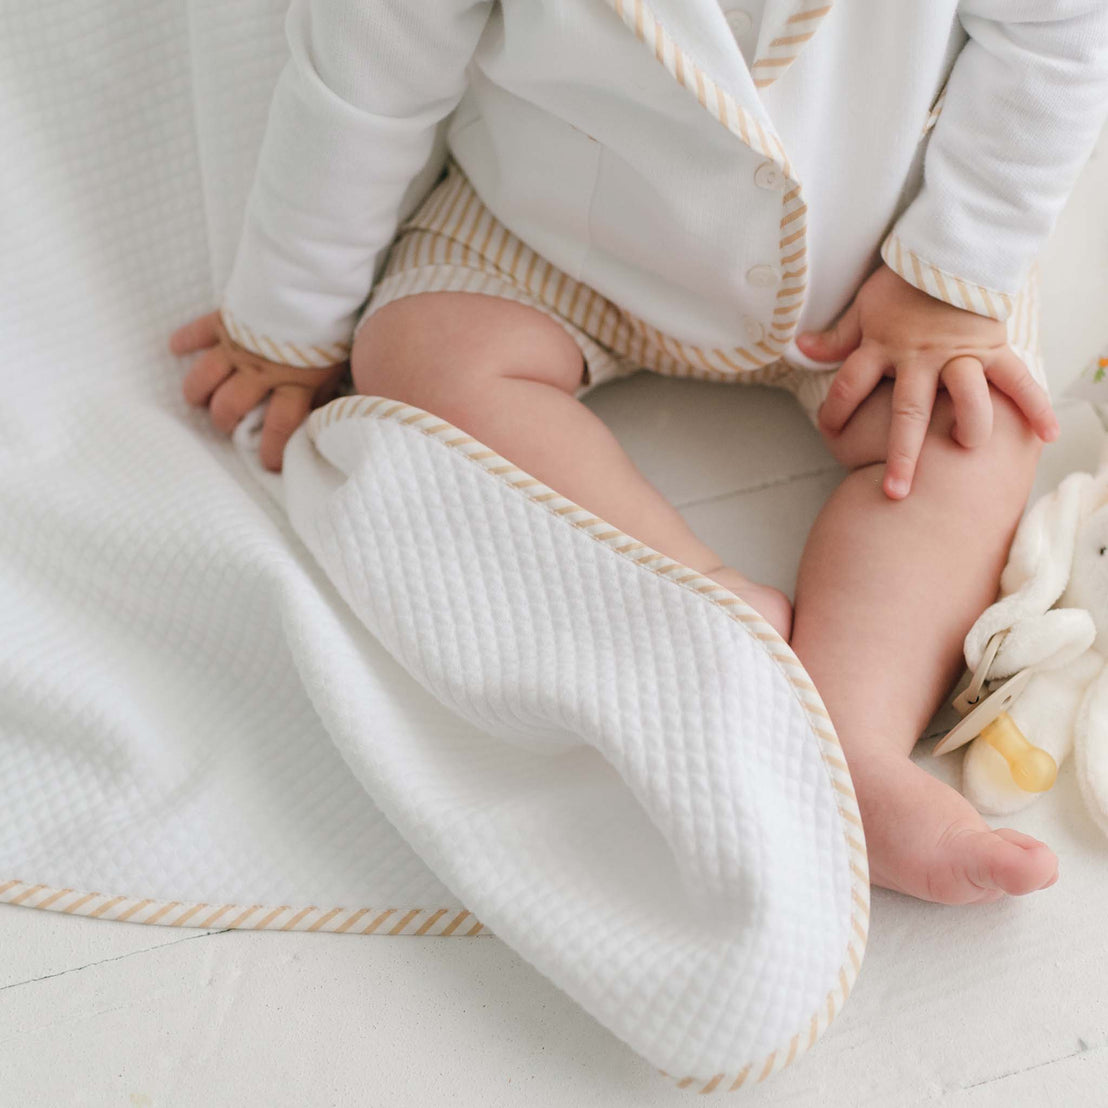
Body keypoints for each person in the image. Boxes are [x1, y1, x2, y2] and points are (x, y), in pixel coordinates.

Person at [169, 0, 1108, 904]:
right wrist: (289, 317)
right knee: (415, 357)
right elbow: (365, 76)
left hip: (881, 272)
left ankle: (853, 746)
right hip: (563, 233)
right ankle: (701, 605)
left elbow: (1057, 35)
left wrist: (956, 267)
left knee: (976, 430)